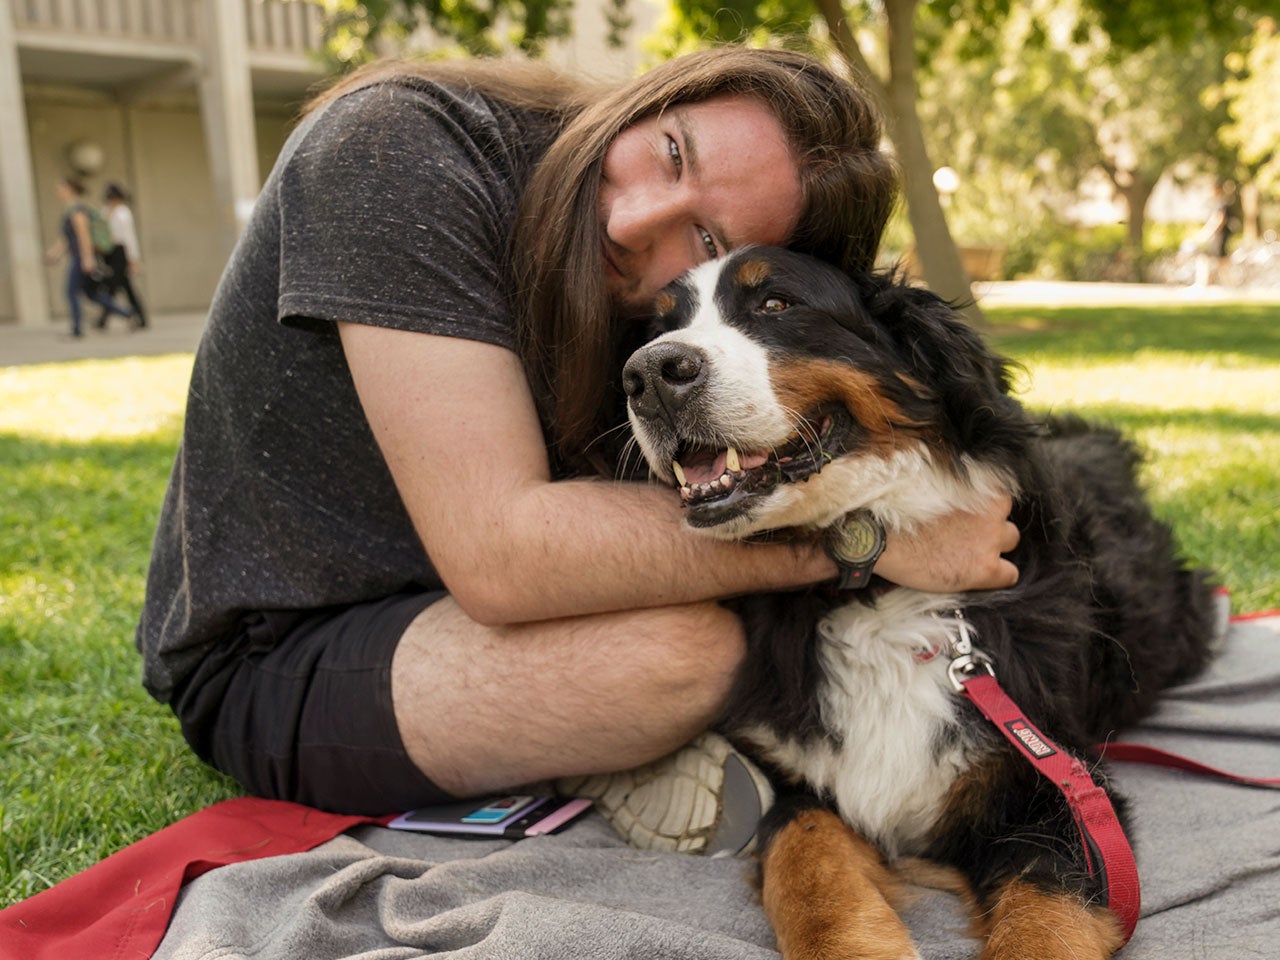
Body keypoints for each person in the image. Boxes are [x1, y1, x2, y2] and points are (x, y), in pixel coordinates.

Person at [136, 46, 1019, 847]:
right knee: (686, 655)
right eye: (673, 153)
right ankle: (609, 755)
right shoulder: (395, 151)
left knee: (749, 625)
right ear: (655, 96)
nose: (639, 223)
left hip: (480, 599)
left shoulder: (654, 312)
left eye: (706, 243)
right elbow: (504, 555)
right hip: (280, 651)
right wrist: (867, 540)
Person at [44, 177, 135, 337]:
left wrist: (87, 259)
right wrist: (54, 254)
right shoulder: (70, 209)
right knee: (92, 294)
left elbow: (83, 236)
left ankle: (77, 329)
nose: (58, 191)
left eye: (61, 188)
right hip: (80, 257)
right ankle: (127, 313)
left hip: (81, 258)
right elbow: (67, 239)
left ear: (71, 189)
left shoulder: (77, 210)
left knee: (71, 292)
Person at [95, 182, 148, 330]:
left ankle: (105, 318)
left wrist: (133, 258)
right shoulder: (104, 212)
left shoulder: (123, 213)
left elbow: (129, 237)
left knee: (116, 286)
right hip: (108, 252)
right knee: (121, 286)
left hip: (120, 252)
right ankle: (138, 317)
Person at [1193, 180, 1236, 287]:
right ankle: (1204, 282)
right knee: (1206, 258)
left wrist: (1208, 233)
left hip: (1219, 237)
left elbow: (1219, 219)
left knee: (1220, 260)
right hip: (1216, 236)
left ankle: (1229, 284)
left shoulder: (1221, 203)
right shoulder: (1217, 203)